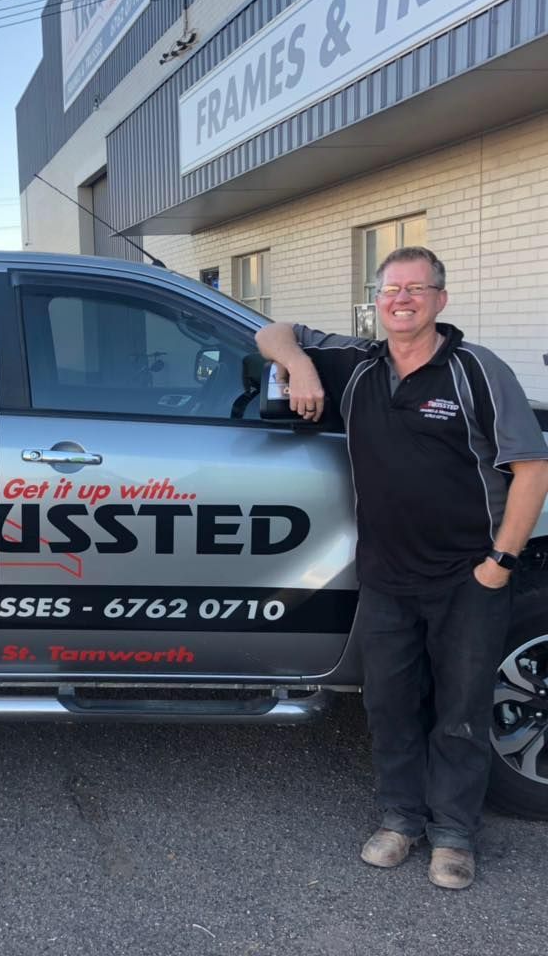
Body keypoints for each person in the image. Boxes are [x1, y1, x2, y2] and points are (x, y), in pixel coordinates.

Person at [255, 246, 548, 890]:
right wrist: (300, 366)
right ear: (377, 301)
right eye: (391, 289)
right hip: (385, 579)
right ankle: (400, 820)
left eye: (418, 288)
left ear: (441, 300)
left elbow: (532, 468)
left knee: (461, 709)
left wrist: (501, 562)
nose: (403, 299)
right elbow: (268, 332)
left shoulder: (476, 370)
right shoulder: (357, 365)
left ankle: (454, 835)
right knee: (388, 705)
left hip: (467, 578)